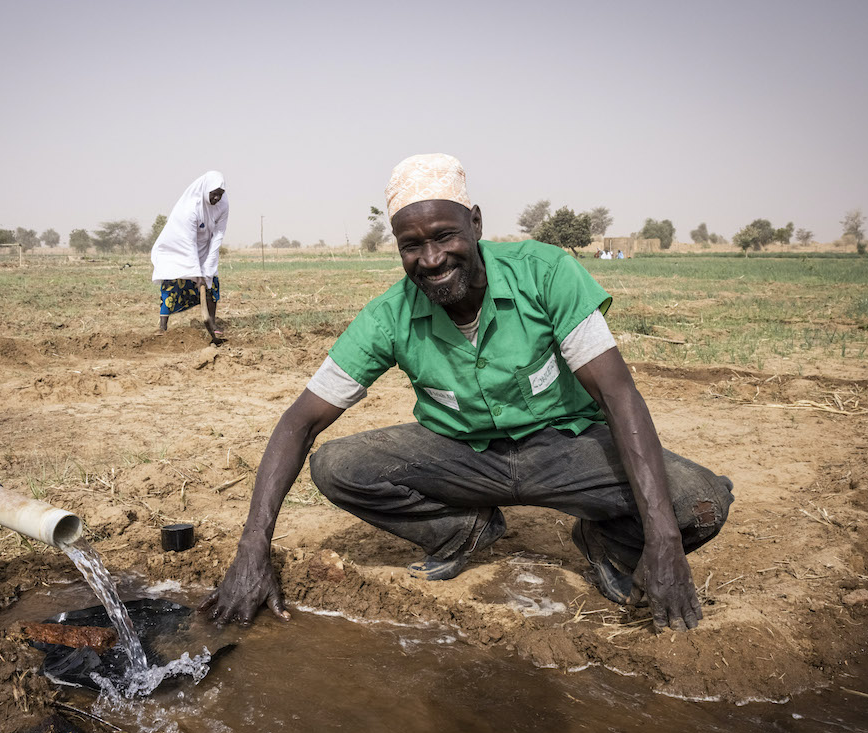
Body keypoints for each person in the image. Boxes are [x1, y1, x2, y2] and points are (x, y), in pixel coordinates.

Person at [200, 154, 733, 632]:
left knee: (698, 503)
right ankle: (463, 529)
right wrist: (252, 551)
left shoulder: (546, 275)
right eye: (412, 245)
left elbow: (620, 397)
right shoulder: (390, 315)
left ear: (475, 223)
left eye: (445, 236)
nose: (431, 259)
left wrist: (662, 542)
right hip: (461, 456)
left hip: (567, 447)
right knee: (336, 465)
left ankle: (607, 545)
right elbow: (300, 422)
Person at [151, 171, 228, 342]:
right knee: (172, 284)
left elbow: (219, 235)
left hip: (204, 246)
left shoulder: (223, 205)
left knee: (211, 283)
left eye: (220, 195)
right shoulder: (191, 207)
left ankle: (212, 323)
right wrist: (195, 272)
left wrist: (208, 268)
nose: (217, 198)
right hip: (178, 247)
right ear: (205, 190)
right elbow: (188, 242)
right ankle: (162, 327)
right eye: (214, 194)